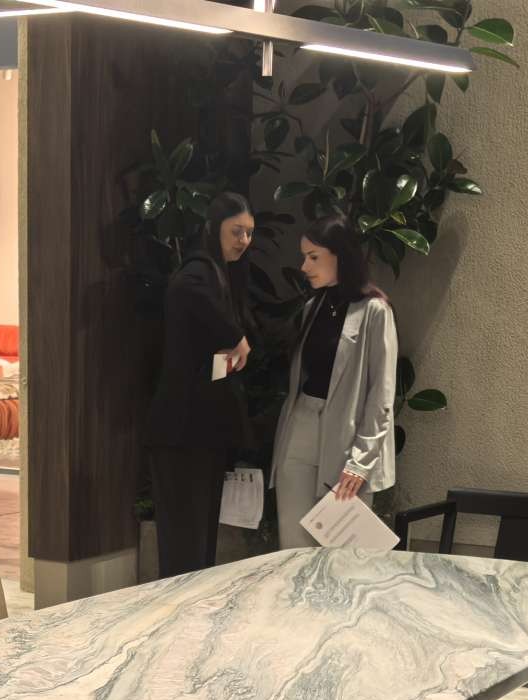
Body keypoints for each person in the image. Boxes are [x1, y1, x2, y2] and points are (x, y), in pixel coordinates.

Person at [145, 193, 255, 577]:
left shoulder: (218, 274)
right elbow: (184, 290)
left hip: (198, 433)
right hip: (181, 433)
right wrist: (235, 336)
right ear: (214, 229)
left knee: (199, 544)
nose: (244, 240)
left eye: (249, 233)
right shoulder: (199, 269)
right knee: (185, 546)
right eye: (236, 231)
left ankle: (191, 609)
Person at [272, 216, 399, 548]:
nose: (304, 266)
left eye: (313, 257)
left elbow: (381, 395)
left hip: (346, 435)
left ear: (340, 255)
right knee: (293, 546)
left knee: (342, 553)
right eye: (304, 257)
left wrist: (360, 462)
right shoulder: (312, 308)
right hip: (300, 427)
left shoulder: (374, 311)